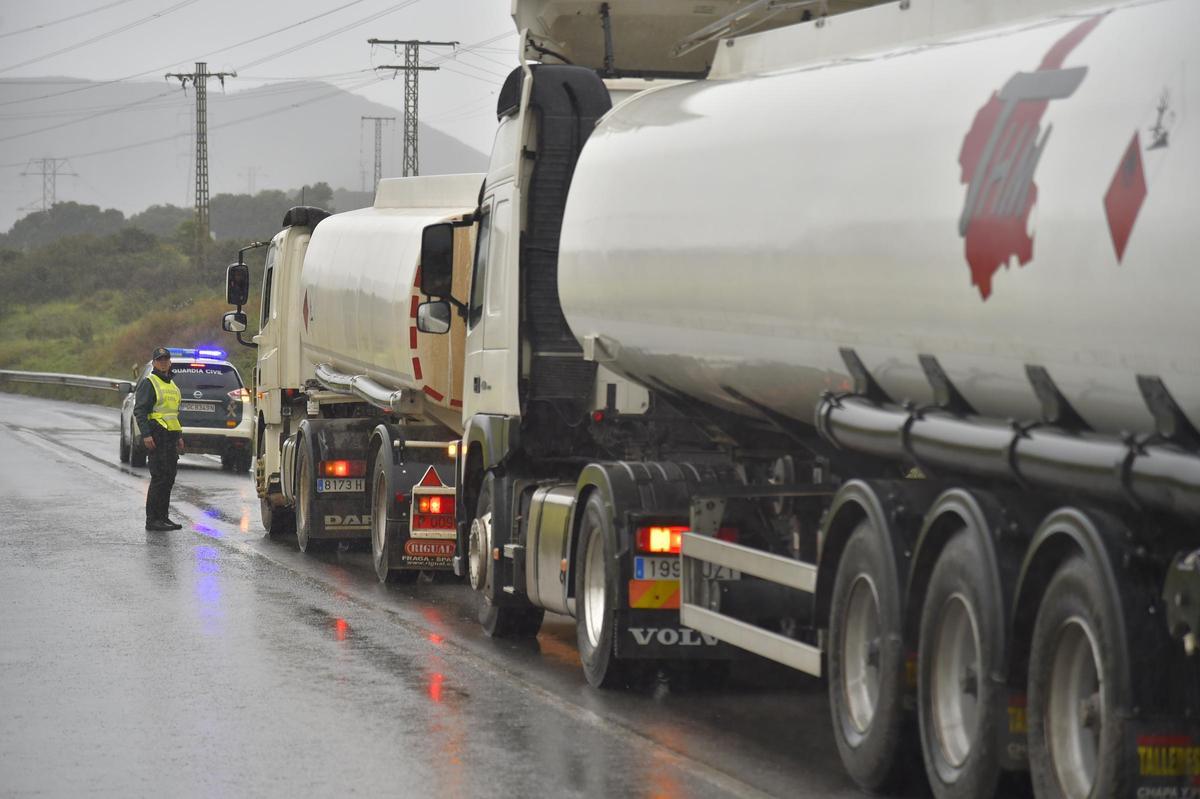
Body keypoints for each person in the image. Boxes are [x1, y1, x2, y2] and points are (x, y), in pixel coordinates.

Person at [133, 347, 186, 531]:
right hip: (156, 436)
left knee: (169, 478)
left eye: (166, 359)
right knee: (159, 478)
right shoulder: (150, 382)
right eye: (160, 359)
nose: (163, 362)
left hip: (170, 437)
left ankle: (163, 517)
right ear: (154, 362)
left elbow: (174, 414)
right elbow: (140, 410)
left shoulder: (172, 385)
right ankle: (152, 520)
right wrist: (146, 434)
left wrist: (179, 436)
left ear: (169, 362)